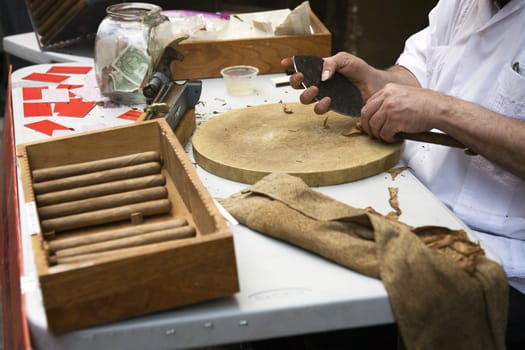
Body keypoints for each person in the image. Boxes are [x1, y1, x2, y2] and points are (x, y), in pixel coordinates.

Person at [283, 0, 525, 348]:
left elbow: (435, 103)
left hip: (500, 258)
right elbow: (418, 72)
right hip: (411, 204)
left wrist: (442, 109)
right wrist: (375, 82)